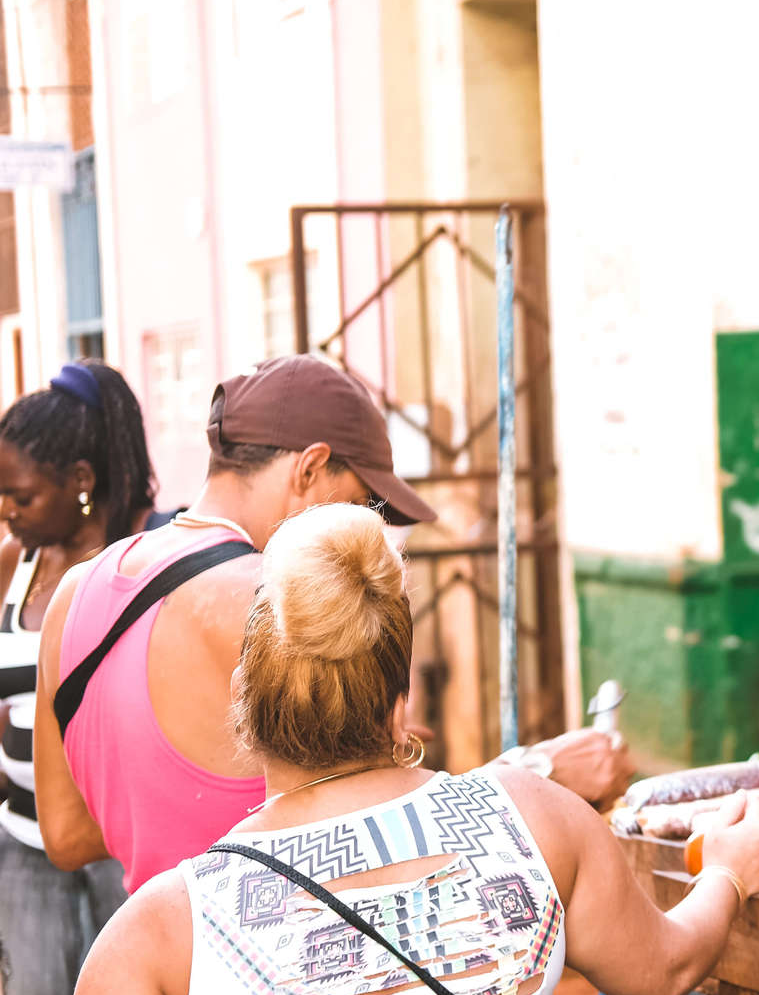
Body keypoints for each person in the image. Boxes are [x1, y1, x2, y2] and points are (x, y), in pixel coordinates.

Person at [37, 505, 759, 995]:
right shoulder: (533, 815)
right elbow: (665, 966)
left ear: (244, 695)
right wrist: (725, 871)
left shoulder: (169, 922)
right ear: (399, 700)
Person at [32, 354, 631, 897]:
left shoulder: (72, 595)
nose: (370, 525)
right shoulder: (278, 602)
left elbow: (65, 835)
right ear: (311, 468)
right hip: (288, 983)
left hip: (171, 989)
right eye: (363, 500)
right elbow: (387, 829)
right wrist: (542, 770)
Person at [0, 361, 168, 995]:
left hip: (119, 853)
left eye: (20, 495)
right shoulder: (15, 568)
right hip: (24, 852)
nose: (8, 512)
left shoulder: (142, 566)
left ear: (80, 481)